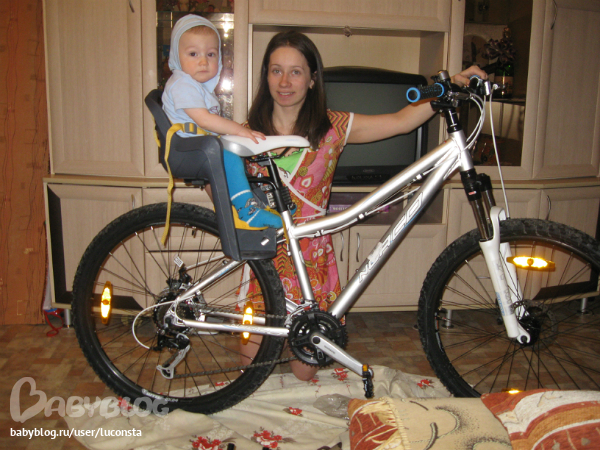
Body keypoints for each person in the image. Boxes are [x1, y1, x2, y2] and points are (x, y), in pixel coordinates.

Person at [242, 30, 488, 381]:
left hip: (313, 258)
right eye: (276, 70)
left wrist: (449, 88)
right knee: (250, 367)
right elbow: (215, 180)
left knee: (305, 371)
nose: (284, 82)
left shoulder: (333, 127)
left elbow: (400, 121)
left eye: (296, 72)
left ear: (312, 79)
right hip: (264, 255)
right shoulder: (245, 134)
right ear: (265, 76)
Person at [162, 14, 281, 229]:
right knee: (231, 158)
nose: (203, 61)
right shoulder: (182, 84)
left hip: (195, 148)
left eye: (210, 54)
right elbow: (205, 120)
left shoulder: (197, 87)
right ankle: (249, 211)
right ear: (176, 56)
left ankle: (245, 206)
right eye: (193, 53)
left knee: (233, 155)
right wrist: (239, 130)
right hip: (188, 151)